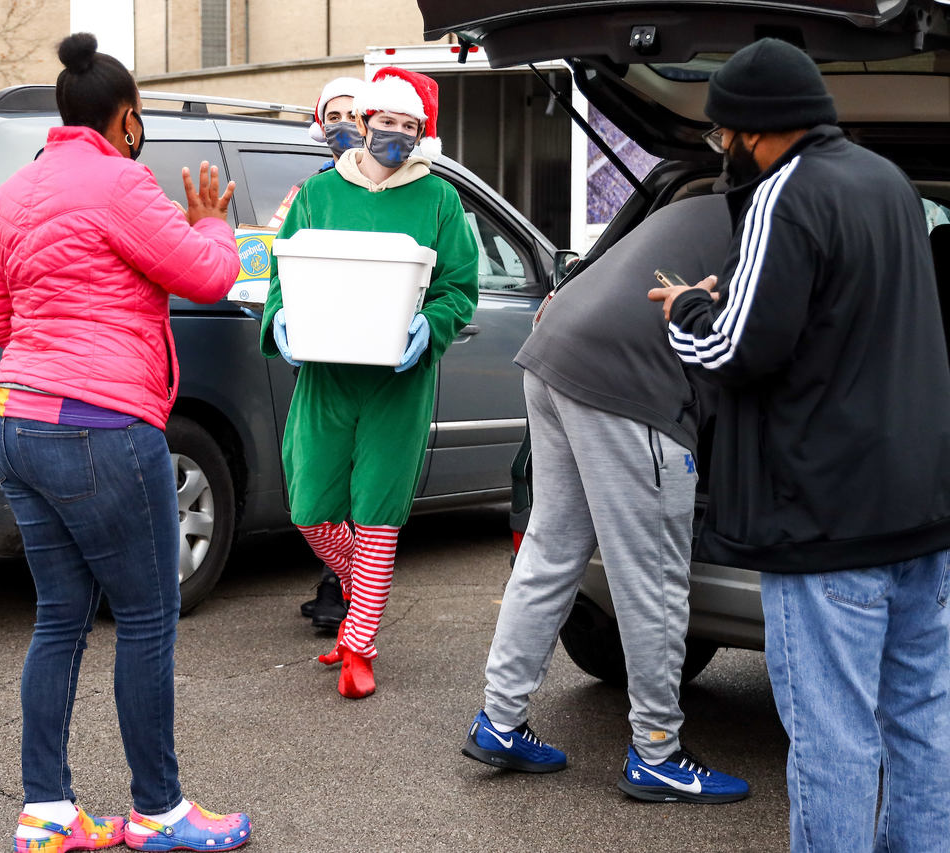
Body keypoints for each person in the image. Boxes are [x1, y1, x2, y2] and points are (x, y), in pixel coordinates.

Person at [651, 39, 950, 852]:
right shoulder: (886, 180)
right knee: (921, 716)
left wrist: (686, 310)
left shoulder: (784, 195)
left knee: (833, 734)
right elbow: (834, 313)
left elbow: (735, 351)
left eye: (723, 130)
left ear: (752, 130)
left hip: (829, 520)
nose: (721, 145)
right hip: (928, 506)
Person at [0, 33, 251, 853]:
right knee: (146, 616)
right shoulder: (122, 182)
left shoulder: (12, 195)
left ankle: (47, 812)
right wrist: (211, 224)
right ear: (126, 119)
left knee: (59, 618)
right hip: (100, 424)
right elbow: (205, 274)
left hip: (16, 418)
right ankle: (160, 812)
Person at [462, 193, 751, 804]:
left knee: (550, 549)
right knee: (651, 578)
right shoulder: (780, 226)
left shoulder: (693, 200)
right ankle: (658, 754)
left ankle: (500, 721)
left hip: (554, 354)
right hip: (627, 386)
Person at [260, 66, 478, 699]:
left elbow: (459, 286)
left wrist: (431, 327)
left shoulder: (439, 199)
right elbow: (282, 275)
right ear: (363, 123)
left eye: (410, 128)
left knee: (379, 514)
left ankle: (358, 646)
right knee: (310, 507)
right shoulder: (318, 193)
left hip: (396, 380)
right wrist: (278, 322)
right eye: (388, 123)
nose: (397, 136)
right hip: (326, 371)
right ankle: (365, 603)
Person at [294, 75, 367, 629]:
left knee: (365, 480)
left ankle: (345, 589)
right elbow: (271, 258)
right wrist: (280, 322)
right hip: (324, 355)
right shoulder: (309, 193)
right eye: (332, 116)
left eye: (353, 114)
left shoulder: (398, 185)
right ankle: (340, 576)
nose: (344, 125)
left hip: (380, 359)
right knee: (319, 481)